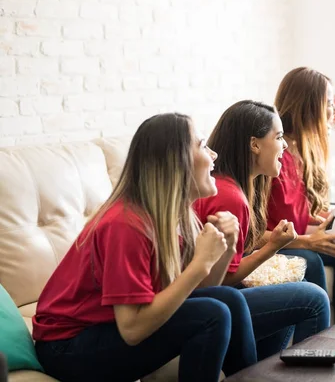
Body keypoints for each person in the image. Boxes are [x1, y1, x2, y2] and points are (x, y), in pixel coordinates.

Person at [33, 113, 257, 382]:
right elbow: (132, 329)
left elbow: (202, 289)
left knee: (228, 300)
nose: (214, 155)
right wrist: (200, 263)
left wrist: (227, 247)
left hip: (107, 328)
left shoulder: (174, 216)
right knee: (213, 314)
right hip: (67, 345)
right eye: (202, 145)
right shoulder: (126, 224)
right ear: (176, 162)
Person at [193, 100, 330, 360]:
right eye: (278, 137)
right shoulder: (230, 196)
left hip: (215, 295)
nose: (285, 145)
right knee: (313, 298)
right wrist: (272, 248)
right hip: (209, 300)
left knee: (290, 289)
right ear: (254, 144)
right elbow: (222, 280)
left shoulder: (232, 186)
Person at [264, 67, 335, 323]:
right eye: (329, 104)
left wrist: (332, 218)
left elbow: (297, 210)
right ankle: (316, 340)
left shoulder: (304, 152)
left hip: (295, 240)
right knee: (309, 259)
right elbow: (254, 229)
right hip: (270, 246)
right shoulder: (272, 157)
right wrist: (307, 241)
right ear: (309, 107)